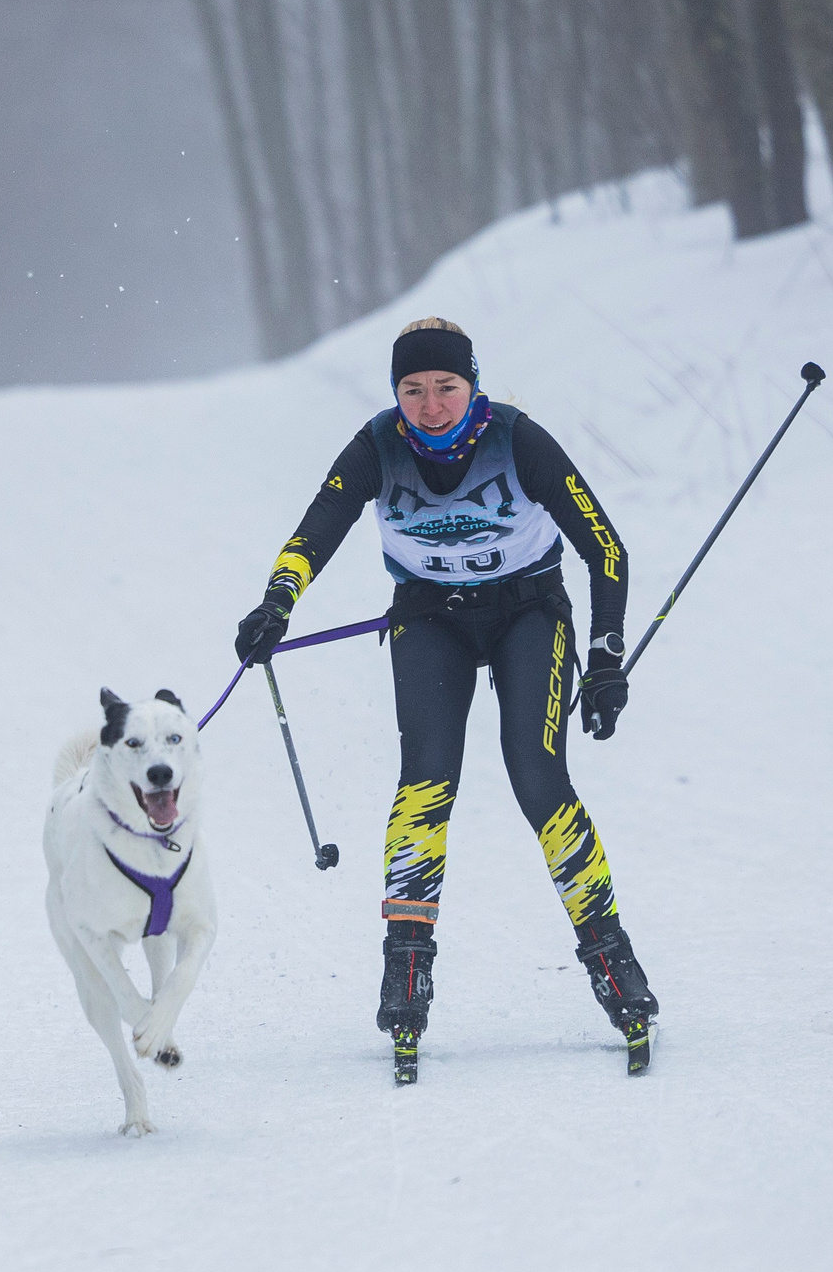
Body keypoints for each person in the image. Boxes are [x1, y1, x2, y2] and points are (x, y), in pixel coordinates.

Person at [234, 316, 658, 1082]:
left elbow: (606, 548)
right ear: (395, 393)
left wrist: (604, 658)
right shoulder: (377, 446)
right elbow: (314, 532)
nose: (430, 406)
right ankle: (406, 965)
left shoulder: (519, 439)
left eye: (446, 387)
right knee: (426, 779)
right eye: (413, 390)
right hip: (431, 618)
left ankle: (610, 957)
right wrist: (276, 602)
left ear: (473, 385)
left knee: (538, 776)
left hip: (529, 613)